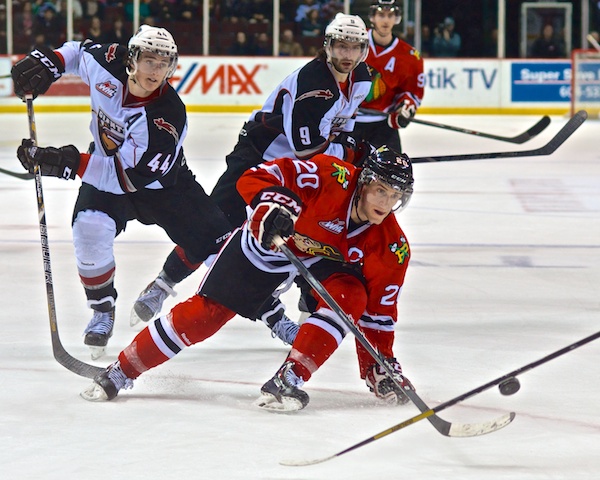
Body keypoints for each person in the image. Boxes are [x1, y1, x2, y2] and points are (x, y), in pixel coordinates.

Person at [80, 145, 416, 413]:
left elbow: (379, 315)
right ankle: (122, 370)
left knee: (352, 296)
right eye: (380, 190)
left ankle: (289, 379)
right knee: (204, 316)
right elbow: (257, 176)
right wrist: (273, 207)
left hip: (321, 258)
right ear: (363, 182)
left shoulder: (391, 246)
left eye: (395, 195)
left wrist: (379, 363)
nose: (386, 203)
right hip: (270, 243)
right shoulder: (329, 175)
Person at [12, 25, 232, 360]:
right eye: (148, 59)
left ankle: (169, 287)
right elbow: (77, 51)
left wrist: (64, 162)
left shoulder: (167, 116)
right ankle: (102, 310)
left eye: (163, 62)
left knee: (219, 244)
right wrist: (49, 63)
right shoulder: (107, 62)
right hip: (105, 168)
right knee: (88, 229)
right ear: (132, 58)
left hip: (162, 186)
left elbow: (124, 178)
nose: (155, 70)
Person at [207, 13, 372, 340]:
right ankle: (165, 282)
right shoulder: (315, 84)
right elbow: (307, 151)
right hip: (259, 157)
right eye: (340, 46)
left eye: (354, 48)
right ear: (327, 46)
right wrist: (349, 152)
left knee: (304, 232)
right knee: (213, 225)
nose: (347, 55)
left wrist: (351, 154)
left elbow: (343, 126)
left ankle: (298, 301)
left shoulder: (361, 78)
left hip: (301, 171)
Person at [352, 0, 424, 153]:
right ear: (372, 17)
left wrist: (404, 108)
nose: (385, 20)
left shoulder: (409, 56)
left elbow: (411, 92)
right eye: (381, 15)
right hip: (347, 122)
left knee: (394, 175)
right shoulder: (352, 42)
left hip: (383, 126)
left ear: (396, 18)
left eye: (390, 15)